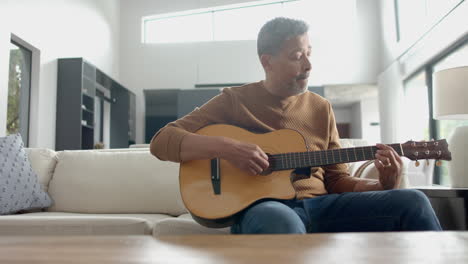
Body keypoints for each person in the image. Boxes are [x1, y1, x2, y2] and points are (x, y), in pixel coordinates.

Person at [150, 17, 442, 234]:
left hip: (322, 206)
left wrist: (381, 185)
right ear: (268, 62)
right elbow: (162, 141)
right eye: (296, 56)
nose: (308, 65)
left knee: (413, 201)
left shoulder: (320, 108)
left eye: (309, 53)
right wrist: (229, 148)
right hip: (264, 209)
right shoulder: (234, 100)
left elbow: (336, 181)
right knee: (281, 222)